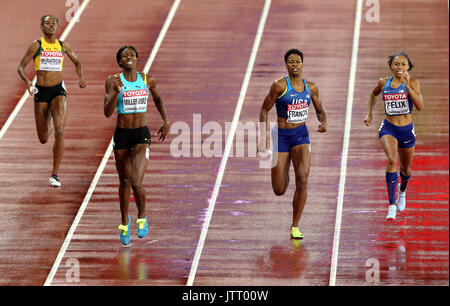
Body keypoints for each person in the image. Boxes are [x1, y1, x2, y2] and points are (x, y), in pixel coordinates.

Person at [104, 45, 170, 245]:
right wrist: (116, 93)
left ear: (137, 58)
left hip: (141, 135)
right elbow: (107, 112)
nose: (129, 57)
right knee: (124, 181)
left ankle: (142, 217)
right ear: (120, 62)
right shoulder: (113, 81)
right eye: (125, 56)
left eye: (132, 54)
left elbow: (158, 98)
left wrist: (165, 121)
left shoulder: (147, 79)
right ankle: (124, 222)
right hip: (122, 135)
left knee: (135, 181)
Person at [258, 49, 327, 239]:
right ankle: (284, 164)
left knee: (303, 179)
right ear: (286, 65)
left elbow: (320, 110)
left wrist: (324, 122)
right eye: (290, 62)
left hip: (300, 136)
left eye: (297, 61)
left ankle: (295, 226)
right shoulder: (279, 86)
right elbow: (264, 109)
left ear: (303, 64)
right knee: (279, 189)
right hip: (280, 135)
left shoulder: (311, 88)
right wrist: (262, 138)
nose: (294, 64)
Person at [17, 15, 86, 187]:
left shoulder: (63, 45)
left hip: (58, 90)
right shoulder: (37, 45)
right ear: (41, 27)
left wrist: (81, 78)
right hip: (41, 91)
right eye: (47, 23)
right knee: (43, 138)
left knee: (60, 130)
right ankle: (47, 117)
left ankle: (55, 174)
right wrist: (27, 82)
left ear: (57, 26)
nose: (51, 26)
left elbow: (77, 62)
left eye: (53, 23)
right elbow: (20, 67)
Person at [364, 52, 424, 220]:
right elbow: (373, 94)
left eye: (403, 64)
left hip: (406, 130)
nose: (400, 67)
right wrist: (369, 114)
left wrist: (408, 86)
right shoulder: (383, 83)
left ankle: (402, 191)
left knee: (406, 169)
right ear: (391, 66)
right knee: (392, 160)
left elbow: (420, 106)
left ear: (408, 67)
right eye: (397, 64)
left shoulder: (413, 83)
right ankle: (391, 205)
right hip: (388, 128)